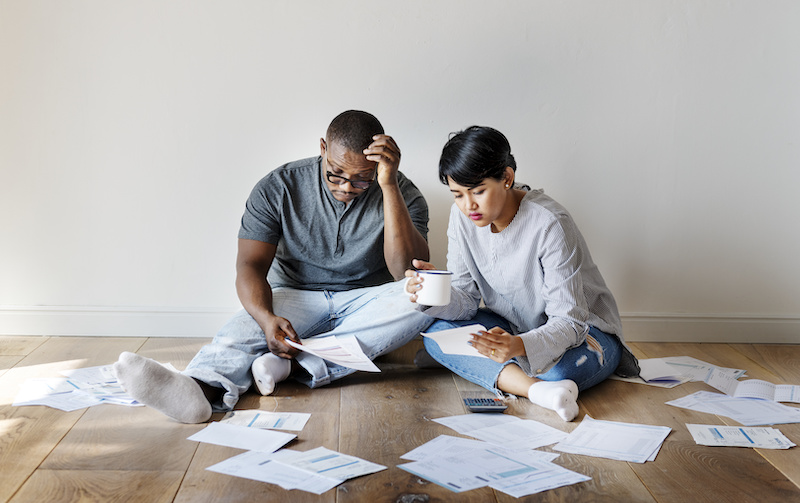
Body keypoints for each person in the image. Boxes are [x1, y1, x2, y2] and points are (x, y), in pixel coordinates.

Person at [114, 110, 434, 423]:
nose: (346, 187)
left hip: (366, 302)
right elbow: (249, 266)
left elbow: (405, 271)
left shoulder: (402, 192)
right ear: (322, 149)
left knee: (425, 299)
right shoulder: (279, 186)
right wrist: (267, 318)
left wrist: (387, 186)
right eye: (335, 173)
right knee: (242, 331)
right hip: (295, 296)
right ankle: (197, 388)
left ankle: (294, 366)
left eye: (362, 179)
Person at [405, 125, 639, 422]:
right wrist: (429, 293)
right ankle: (538, 391)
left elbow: (569, 321)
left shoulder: (550, 223)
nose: (468, 206)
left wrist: (518, 346)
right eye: (457, 195)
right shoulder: (461, 217)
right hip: (514, 327)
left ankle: (514, 376)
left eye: (478, 191)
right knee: (436, 334)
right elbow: (465, 301)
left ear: (506, 177)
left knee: (560, 371)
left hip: (585, 333)